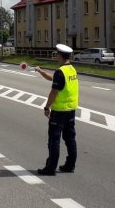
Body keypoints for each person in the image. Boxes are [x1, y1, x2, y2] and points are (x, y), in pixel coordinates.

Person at [35, 44, 79, 176]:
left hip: (59, 111)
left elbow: (54, 92)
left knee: (54, 140)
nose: (56, 56)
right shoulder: (71, 70)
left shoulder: (61, 72)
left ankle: (50, 168)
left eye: (57, 54)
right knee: (70, 138)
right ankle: (70, 165)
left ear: (59, 55)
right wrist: (41, 71)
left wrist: (47, 107)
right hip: (71, 110)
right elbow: (54, 78)